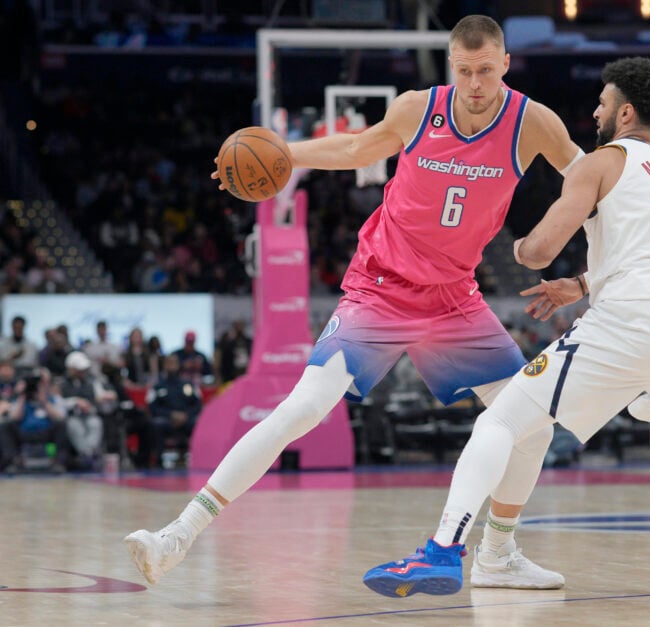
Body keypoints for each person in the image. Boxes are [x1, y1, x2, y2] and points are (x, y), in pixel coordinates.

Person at [124, 14, 583, 588]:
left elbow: (588, 179)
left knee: (533, 426)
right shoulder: (418, 109)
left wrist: (580, 263)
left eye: (485, 70)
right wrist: (282, 152)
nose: (474, 83)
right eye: (464, 70)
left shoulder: (532, 122)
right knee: (302, 408)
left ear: (506, 64)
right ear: (451, 65)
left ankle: (497, 554)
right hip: (382, 286)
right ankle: (177, 536)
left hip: (454, 297)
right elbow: (358, 147)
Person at [362, 56, 650, 604]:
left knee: (502, 418)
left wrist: (512, 245)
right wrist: (581, 284)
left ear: (625, 112)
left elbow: (540, 251)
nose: (595, 112)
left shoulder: (601, 161)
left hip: (634, 322)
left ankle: (442, 549)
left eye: (602, 103)